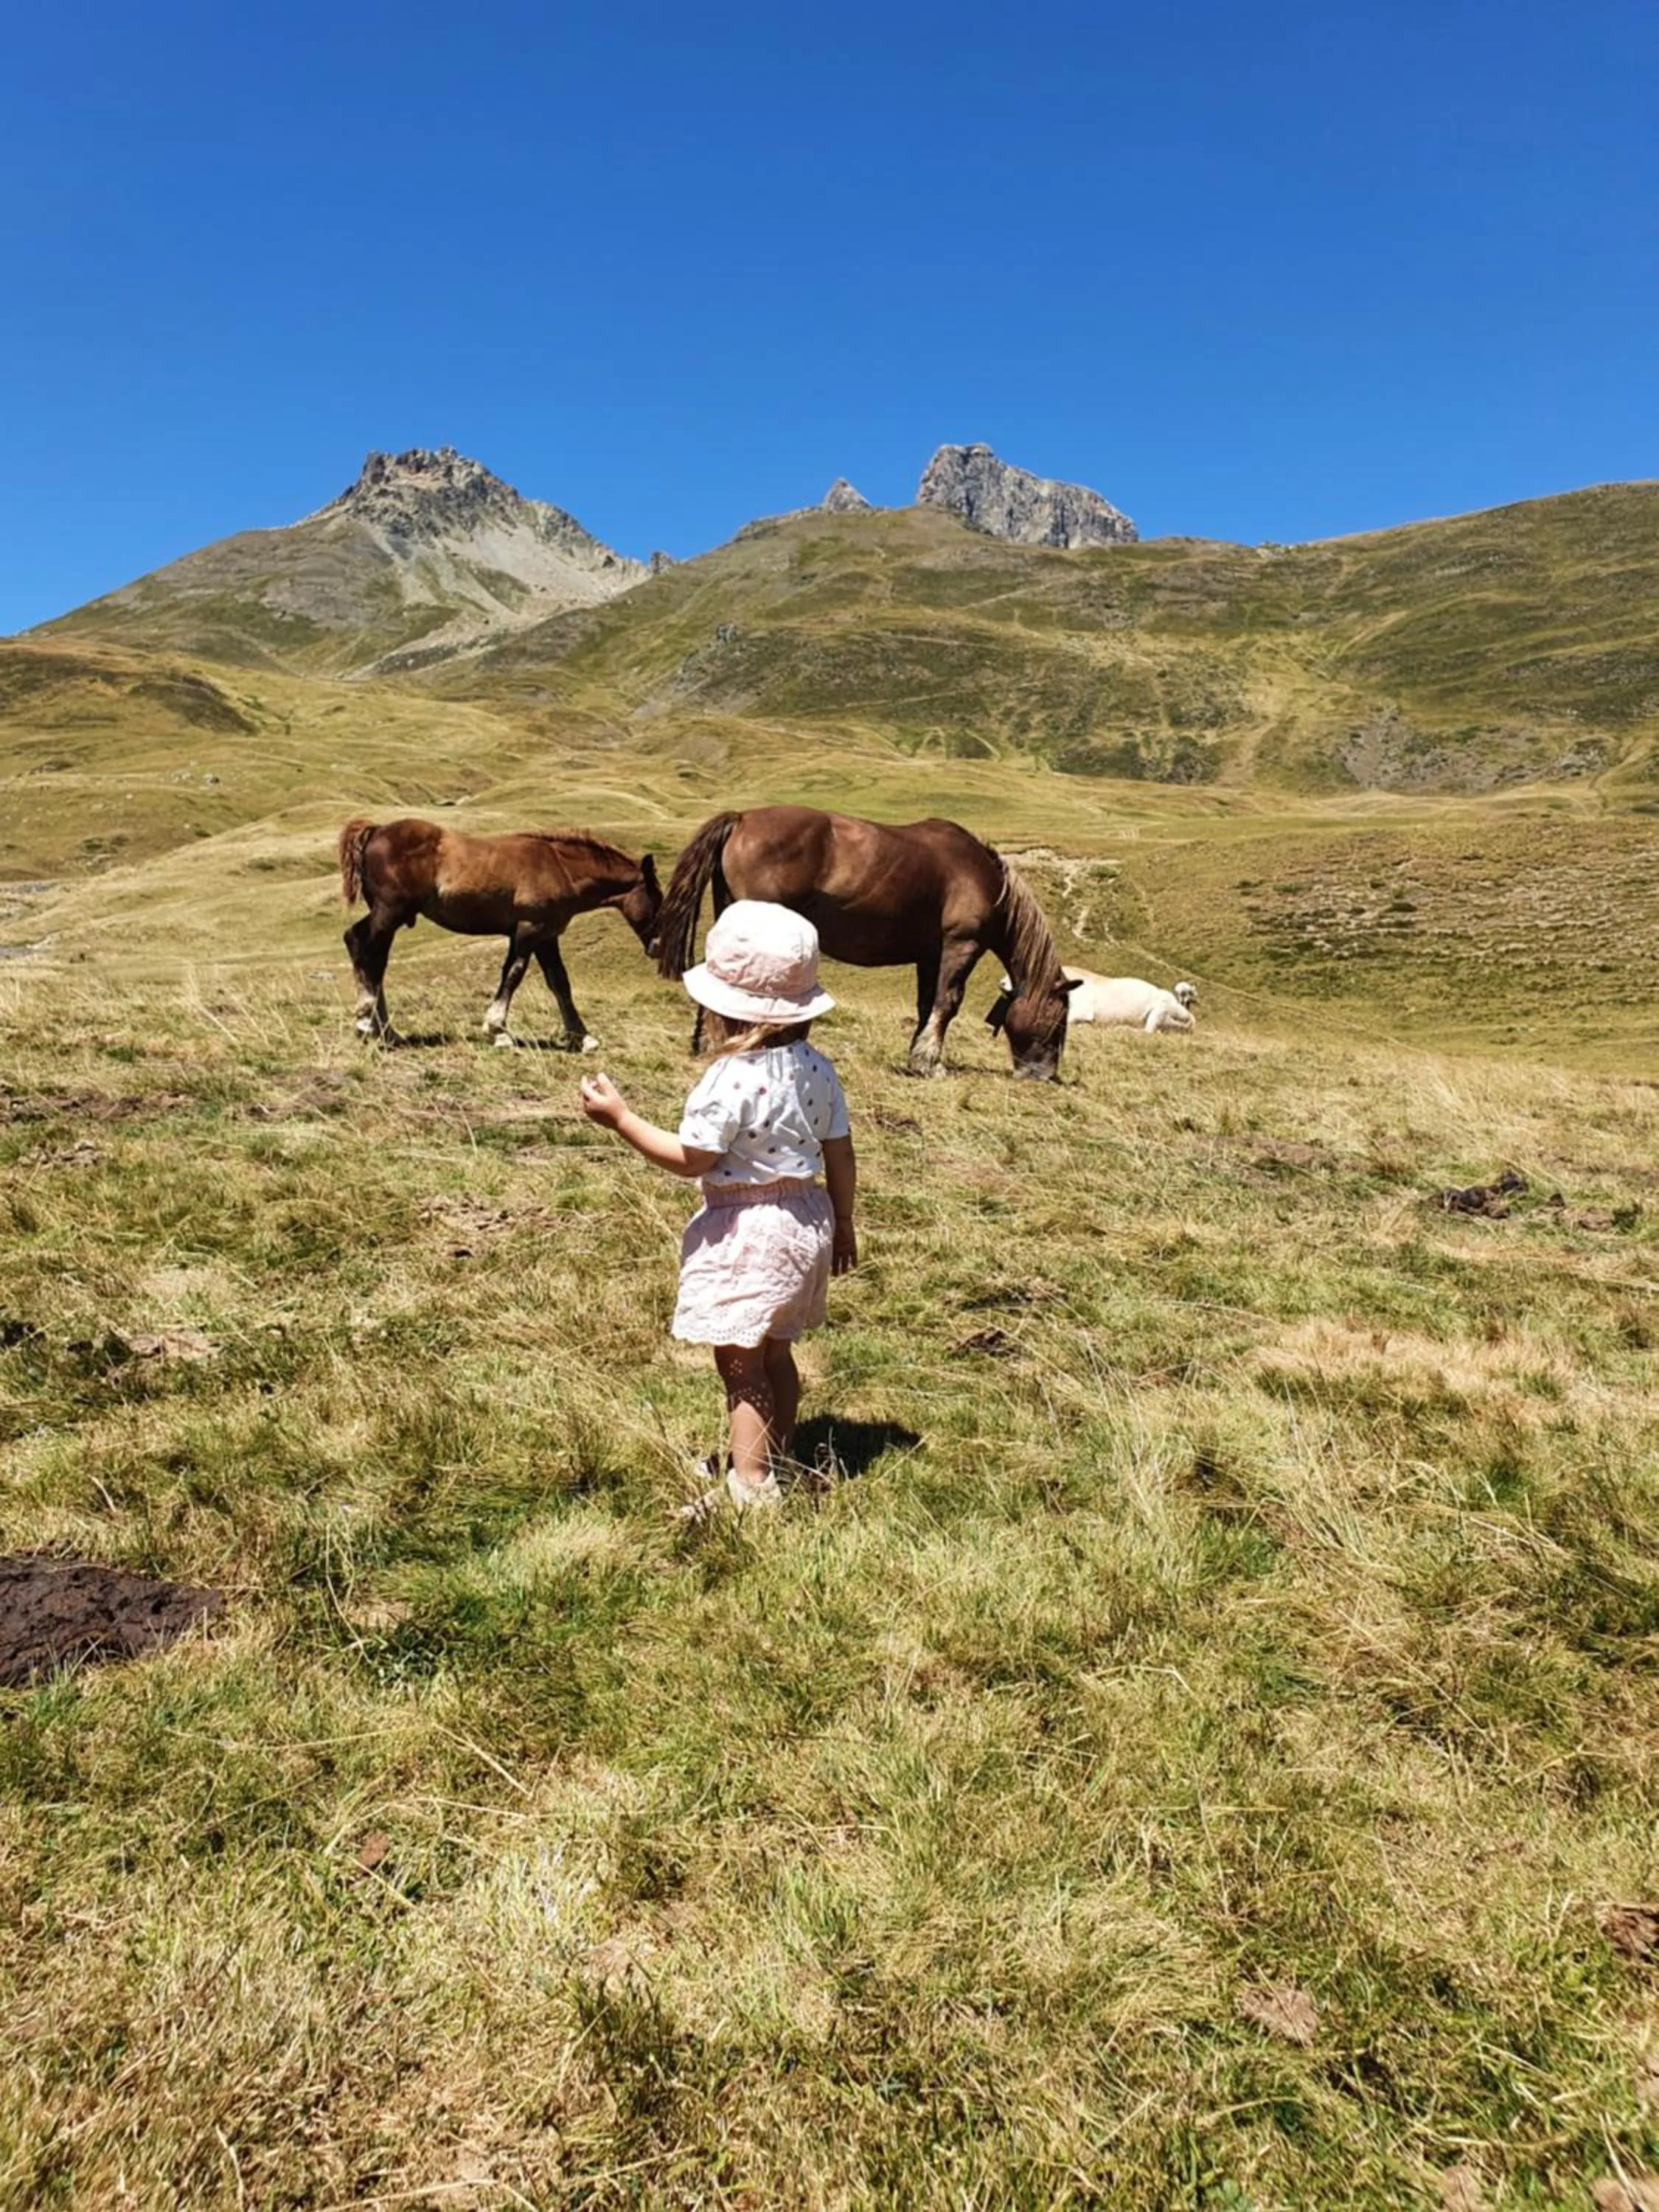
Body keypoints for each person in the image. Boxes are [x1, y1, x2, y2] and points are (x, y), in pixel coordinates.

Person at [578, 900, 858, 1516]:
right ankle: (774, 1454)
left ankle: (750, 1486)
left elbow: (692, 1159)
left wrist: (621, 1120)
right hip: (808, 1220)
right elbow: (840, 1152)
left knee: (739, 1361)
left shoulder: (729, 1077)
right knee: (776, 1350)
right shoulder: (819, 1070)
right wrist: (845, 1225)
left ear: (722, 1006)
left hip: (749, 1229)